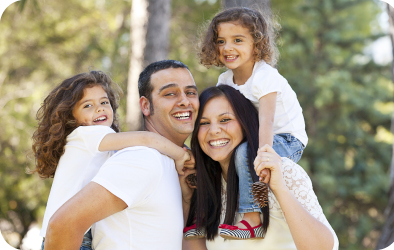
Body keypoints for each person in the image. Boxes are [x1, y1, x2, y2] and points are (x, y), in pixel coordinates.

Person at [42, 60, 198, 250]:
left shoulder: (155, 161)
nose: (184, 100)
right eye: (170, 93)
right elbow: (62, 226)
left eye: (191, 92)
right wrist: (182, 155)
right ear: (145, 106)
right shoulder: (141, 158)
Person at [190, 7, 308, 238]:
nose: (227, 47)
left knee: (244, 153)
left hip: (286, 139)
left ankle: (252, 219)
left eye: (237, 40)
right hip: (254, 135)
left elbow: (267, 121)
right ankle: (206, 218)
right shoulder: (225, 79)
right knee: (215, 156)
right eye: (221, 41)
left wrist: (263, 156)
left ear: (257, 43)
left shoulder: (265, 77)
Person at [183, 85, 339, 249]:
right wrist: (187, 200)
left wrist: (279, 188)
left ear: (246, 123)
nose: (214, 130)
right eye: (204, 123)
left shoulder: (282, 172)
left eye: (225, 120)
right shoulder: (207, 187)